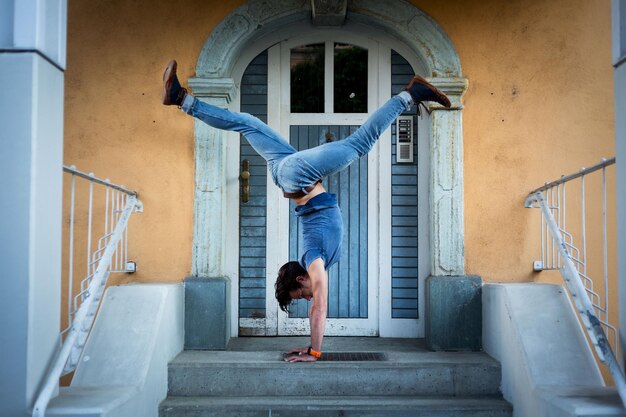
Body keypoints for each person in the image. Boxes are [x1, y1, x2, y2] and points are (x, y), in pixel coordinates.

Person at [162, 59, 450, 362]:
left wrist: (314, 350)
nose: (309, 297)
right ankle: (181, 98)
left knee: (361, 143)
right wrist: (309, 344)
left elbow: (320, 308)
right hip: (285, 171)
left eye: (302, 295)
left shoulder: (314, 263)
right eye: (304, 299)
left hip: (294, 176)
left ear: (301, 280)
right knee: (246, 121)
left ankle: (411, 94)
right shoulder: (315, 260)